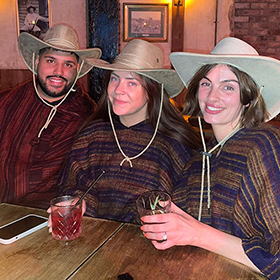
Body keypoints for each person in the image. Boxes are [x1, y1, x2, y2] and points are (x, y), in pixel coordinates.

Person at [140, 37, 280, 279]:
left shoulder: (264, 143)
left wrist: (197, 233)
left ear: (248, 97)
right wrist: (178, 218)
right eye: (206, 84)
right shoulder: (202, 155)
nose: (212, 97)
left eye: (228, 87)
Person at [56, 39, 201, 224]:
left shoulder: (174, 144)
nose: (118, 90)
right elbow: (72, 184)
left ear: (152, 91)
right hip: (91, 240)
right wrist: (78, 200)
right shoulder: (92, 135)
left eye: (131, 83)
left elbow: (185, 209)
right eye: (115, 79)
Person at [0, 24, 101, 209]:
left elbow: (89, 172)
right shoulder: (7, 102)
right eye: (51, 61)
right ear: (37, 61)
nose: (59, 72)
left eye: (68, 64)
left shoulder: (87, 115)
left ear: (77, 69)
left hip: (50, 214)